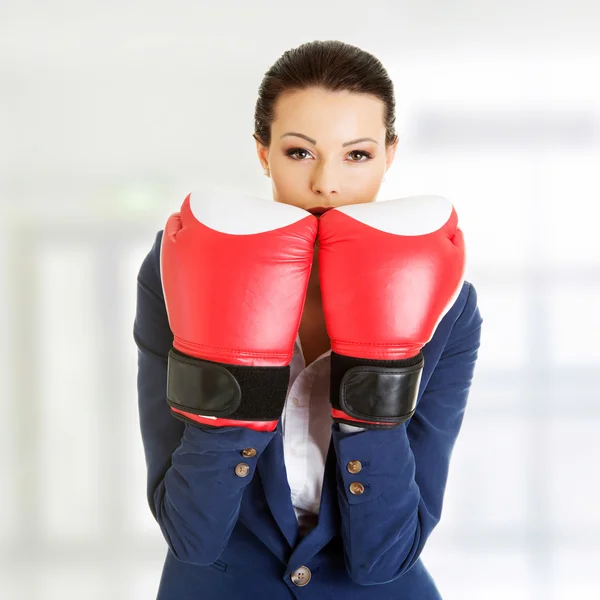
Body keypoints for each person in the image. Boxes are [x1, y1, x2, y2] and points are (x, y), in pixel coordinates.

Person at [133, 40, 483, 599]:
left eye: (357, 154)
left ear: (390, 155)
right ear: (262, 152)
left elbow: (386, 555)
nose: (327, 183)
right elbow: (191, 535)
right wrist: (235, 377)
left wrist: (376, 372)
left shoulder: (445, 301)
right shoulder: (180, 268)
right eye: (300, 152)